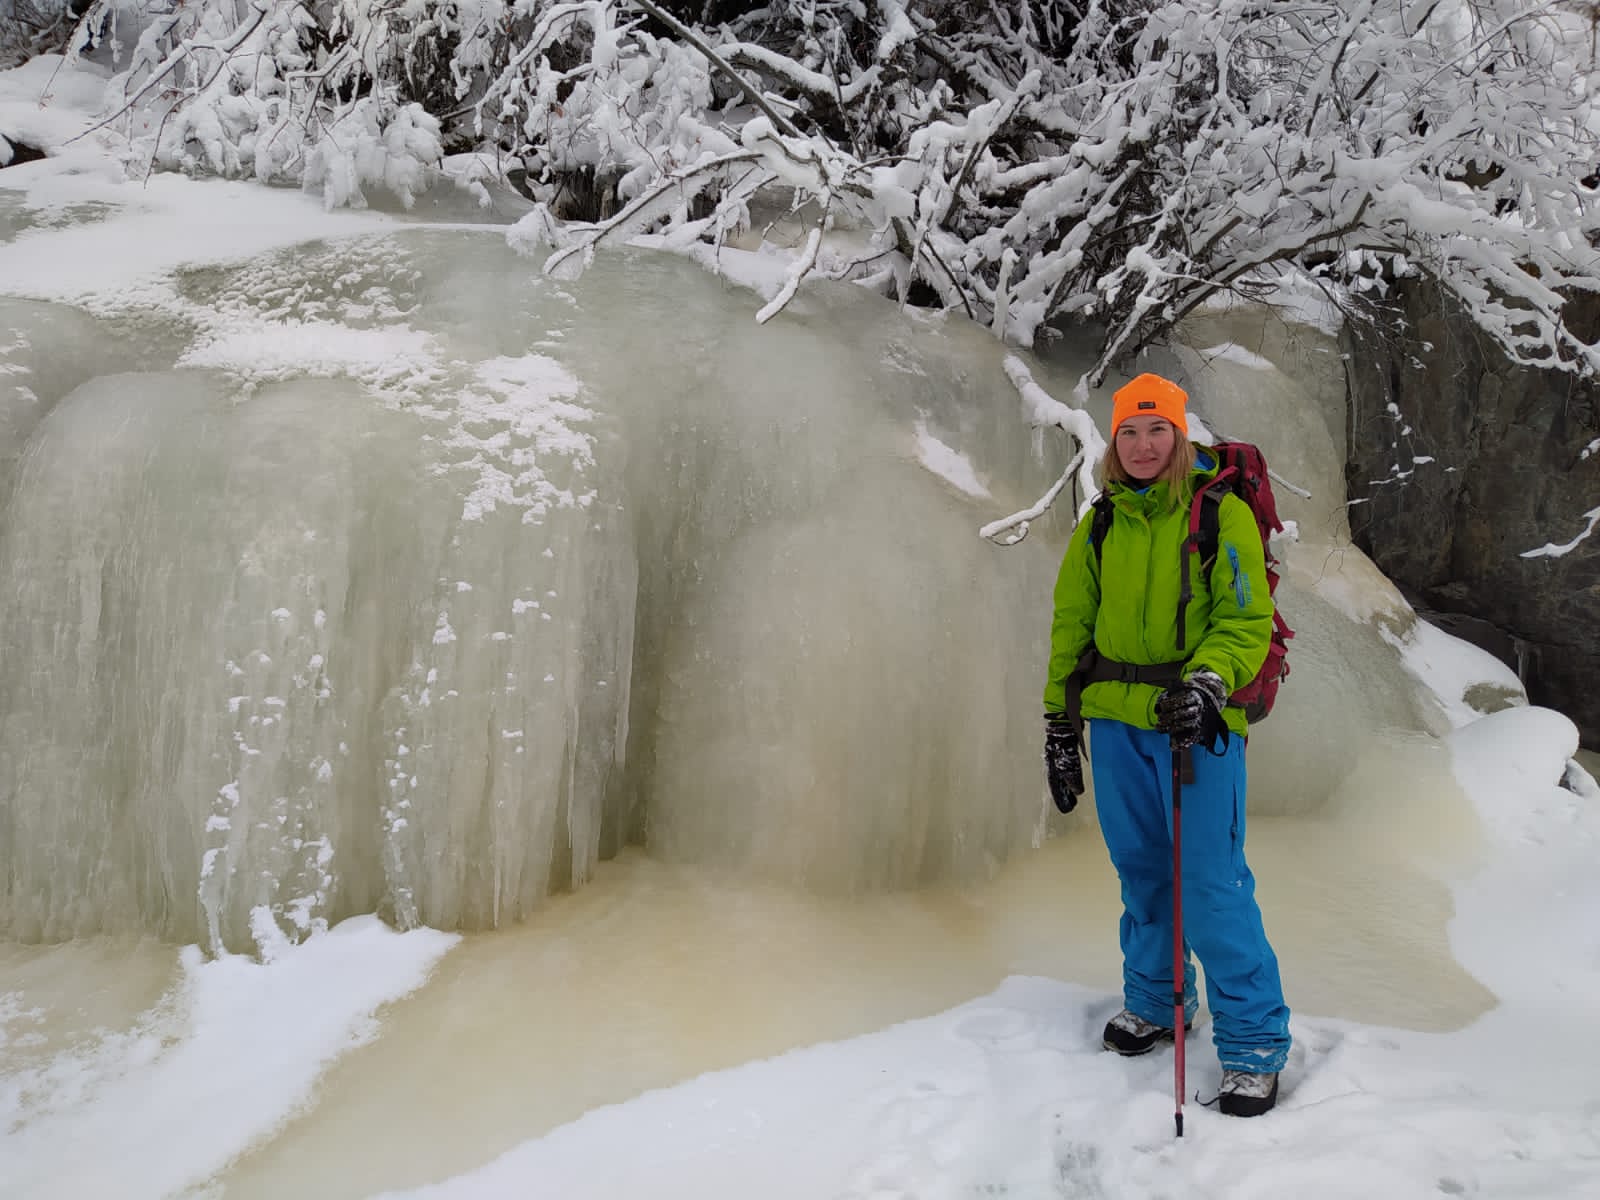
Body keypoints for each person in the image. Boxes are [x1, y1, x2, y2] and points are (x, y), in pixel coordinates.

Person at [1040, 372, 1290, 1118]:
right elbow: (1070, 626)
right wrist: (1060, 721)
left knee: (1210, 886)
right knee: (1144, 875)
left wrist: (1210, 683)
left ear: (1180, 437)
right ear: (1113, 444)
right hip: (1117, 723)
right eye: (1129, 432)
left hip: (1198, 727)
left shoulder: (1221, 515)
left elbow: (1244, 618)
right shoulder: (1102, 523)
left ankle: (1252, 1045)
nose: (1144, 445)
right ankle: (1158, 1001)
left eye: (1157, 430)